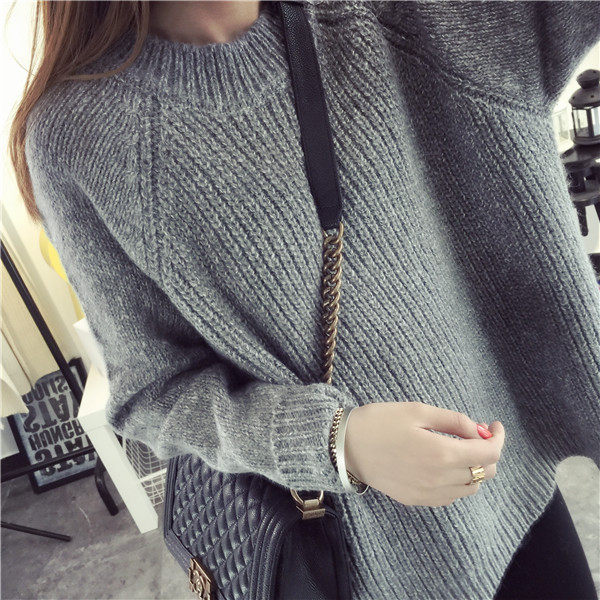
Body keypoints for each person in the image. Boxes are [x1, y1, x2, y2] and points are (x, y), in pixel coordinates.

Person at [9, 1, 600, 598]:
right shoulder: (79, 136)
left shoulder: (385, 14)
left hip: (512, 485)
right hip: (366, 556)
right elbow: (153, 391)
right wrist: (335, 441)